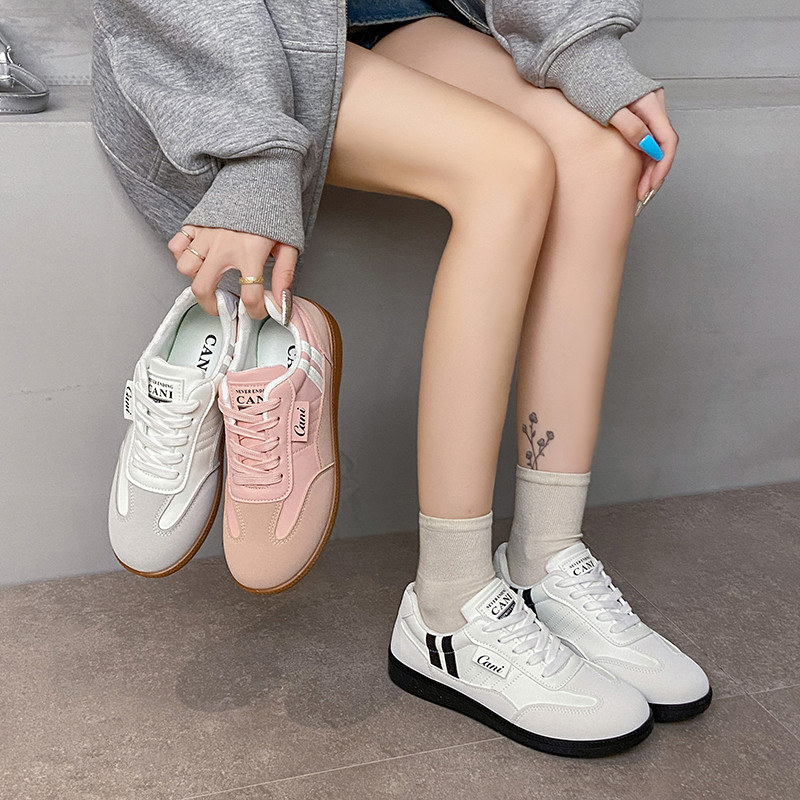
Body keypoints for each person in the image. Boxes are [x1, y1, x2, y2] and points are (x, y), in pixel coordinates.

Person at [91, 0, 711, 757]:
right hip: (239, 45)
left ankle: (545, 558)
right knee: (507, 168)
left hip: (394, 17)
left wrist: (579, 41)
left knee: (602, 156)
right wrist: (248, 151)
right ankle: (447, 609)